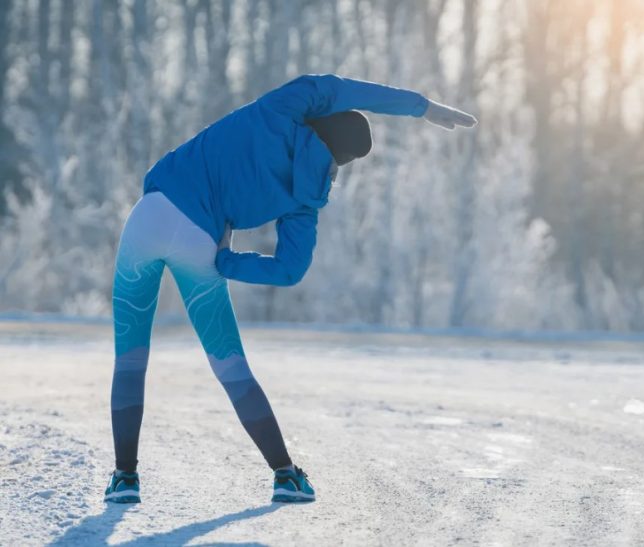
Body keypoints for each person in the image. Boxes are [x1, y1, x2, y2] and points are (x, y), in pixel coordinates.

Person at [104, 74, 476, 504]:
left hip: (150, 214)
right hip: (201, 245)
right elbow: (289, 270)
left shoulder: (285, 107)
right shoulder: (308, 198)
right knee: (231, 367)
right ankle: (285, 475)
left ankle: (125, 478)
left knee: (130, 358)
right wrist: (226, 261)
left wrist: (422, 106)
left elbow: (354, 92)